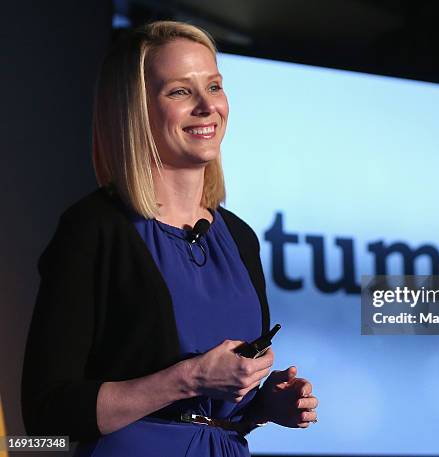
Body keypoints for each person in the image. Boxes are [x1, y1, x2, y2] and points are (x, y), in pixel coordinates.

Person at [21, 20, 318, 457]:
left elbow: (216, 413)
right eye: (180, 91)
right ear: (135, 110)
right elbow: (46, 416)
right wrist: (191, 377)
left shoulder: (239, 238)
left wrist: (265, 402)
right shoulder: (95, 229)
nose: (207, 106)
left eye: (214, 87)